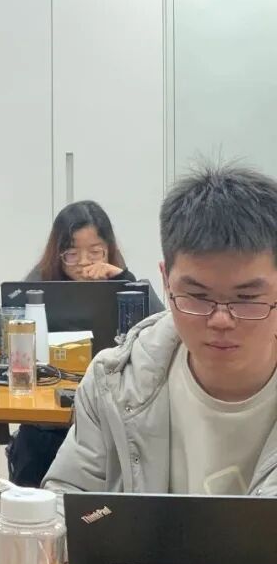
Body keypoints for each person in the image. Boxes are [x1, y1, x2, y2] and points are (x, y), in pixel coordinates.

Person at [44, 163, 277, 499]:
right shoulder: (116, 382)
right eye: (197, 296)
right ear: (166, 281)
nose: (221, 320)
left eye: (246, 299)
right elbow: (66, 500)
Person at [4, 200, 136, 486]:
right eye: (72, 254)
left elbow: (157, 326)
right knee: (35, 445)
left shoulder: (124, 281)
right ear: (59, 254)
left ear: (109, 249)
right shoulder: (42, 280)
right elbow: (0, 324)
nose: (85, 262)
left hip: (108, 404)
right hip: (46, 410)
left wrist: (124, 280)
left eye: (95, 252)